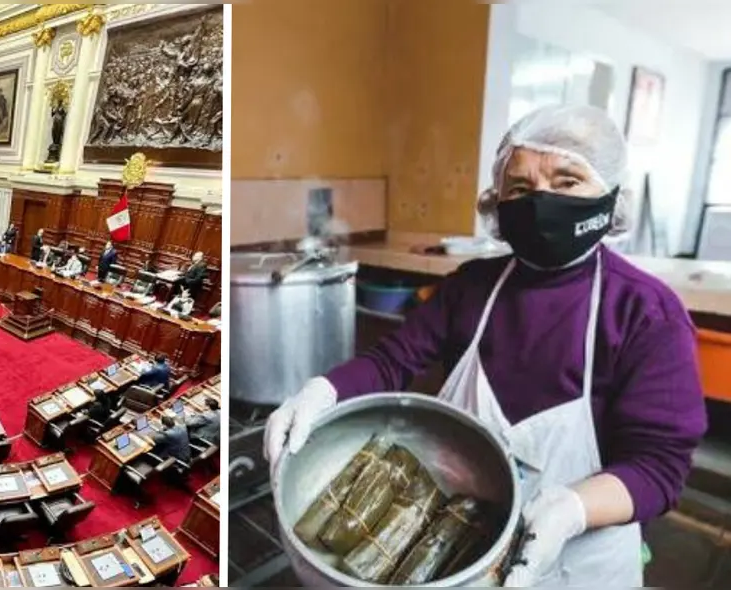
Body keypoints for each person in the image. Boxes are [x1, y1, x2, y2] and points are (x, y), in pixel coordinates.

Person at [263, 105, 707, 588]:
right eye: (520, 188)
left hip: (581, 566)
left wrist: (572, 510)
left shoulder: (646, 313)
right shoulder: (472, 287)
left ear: (610, 196)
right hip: (461, 552)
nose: (542, 203)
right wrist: (323, 391)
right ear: (497, 203)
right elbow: (392, 360)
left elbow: (659, 468)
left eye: (567, 182)